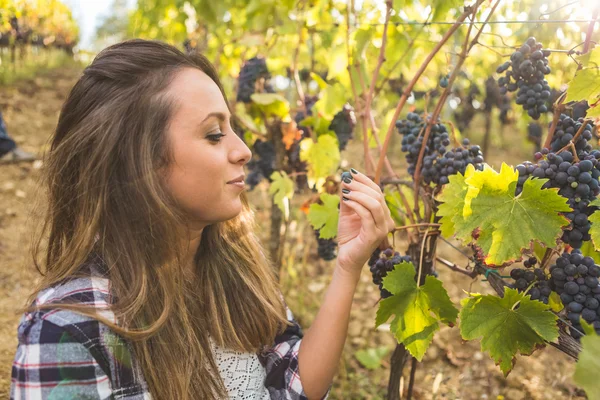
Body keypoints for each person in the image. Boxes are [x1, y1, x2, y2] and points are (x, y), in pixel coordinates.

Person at [10, 39, 395, 400]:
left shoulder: (235, 269)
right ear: (139, 161)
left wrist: (347, 267)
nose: (243, 150)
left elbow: (291, 385)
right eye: (214, 135)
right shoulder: (67, 334)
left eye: (232, 130)